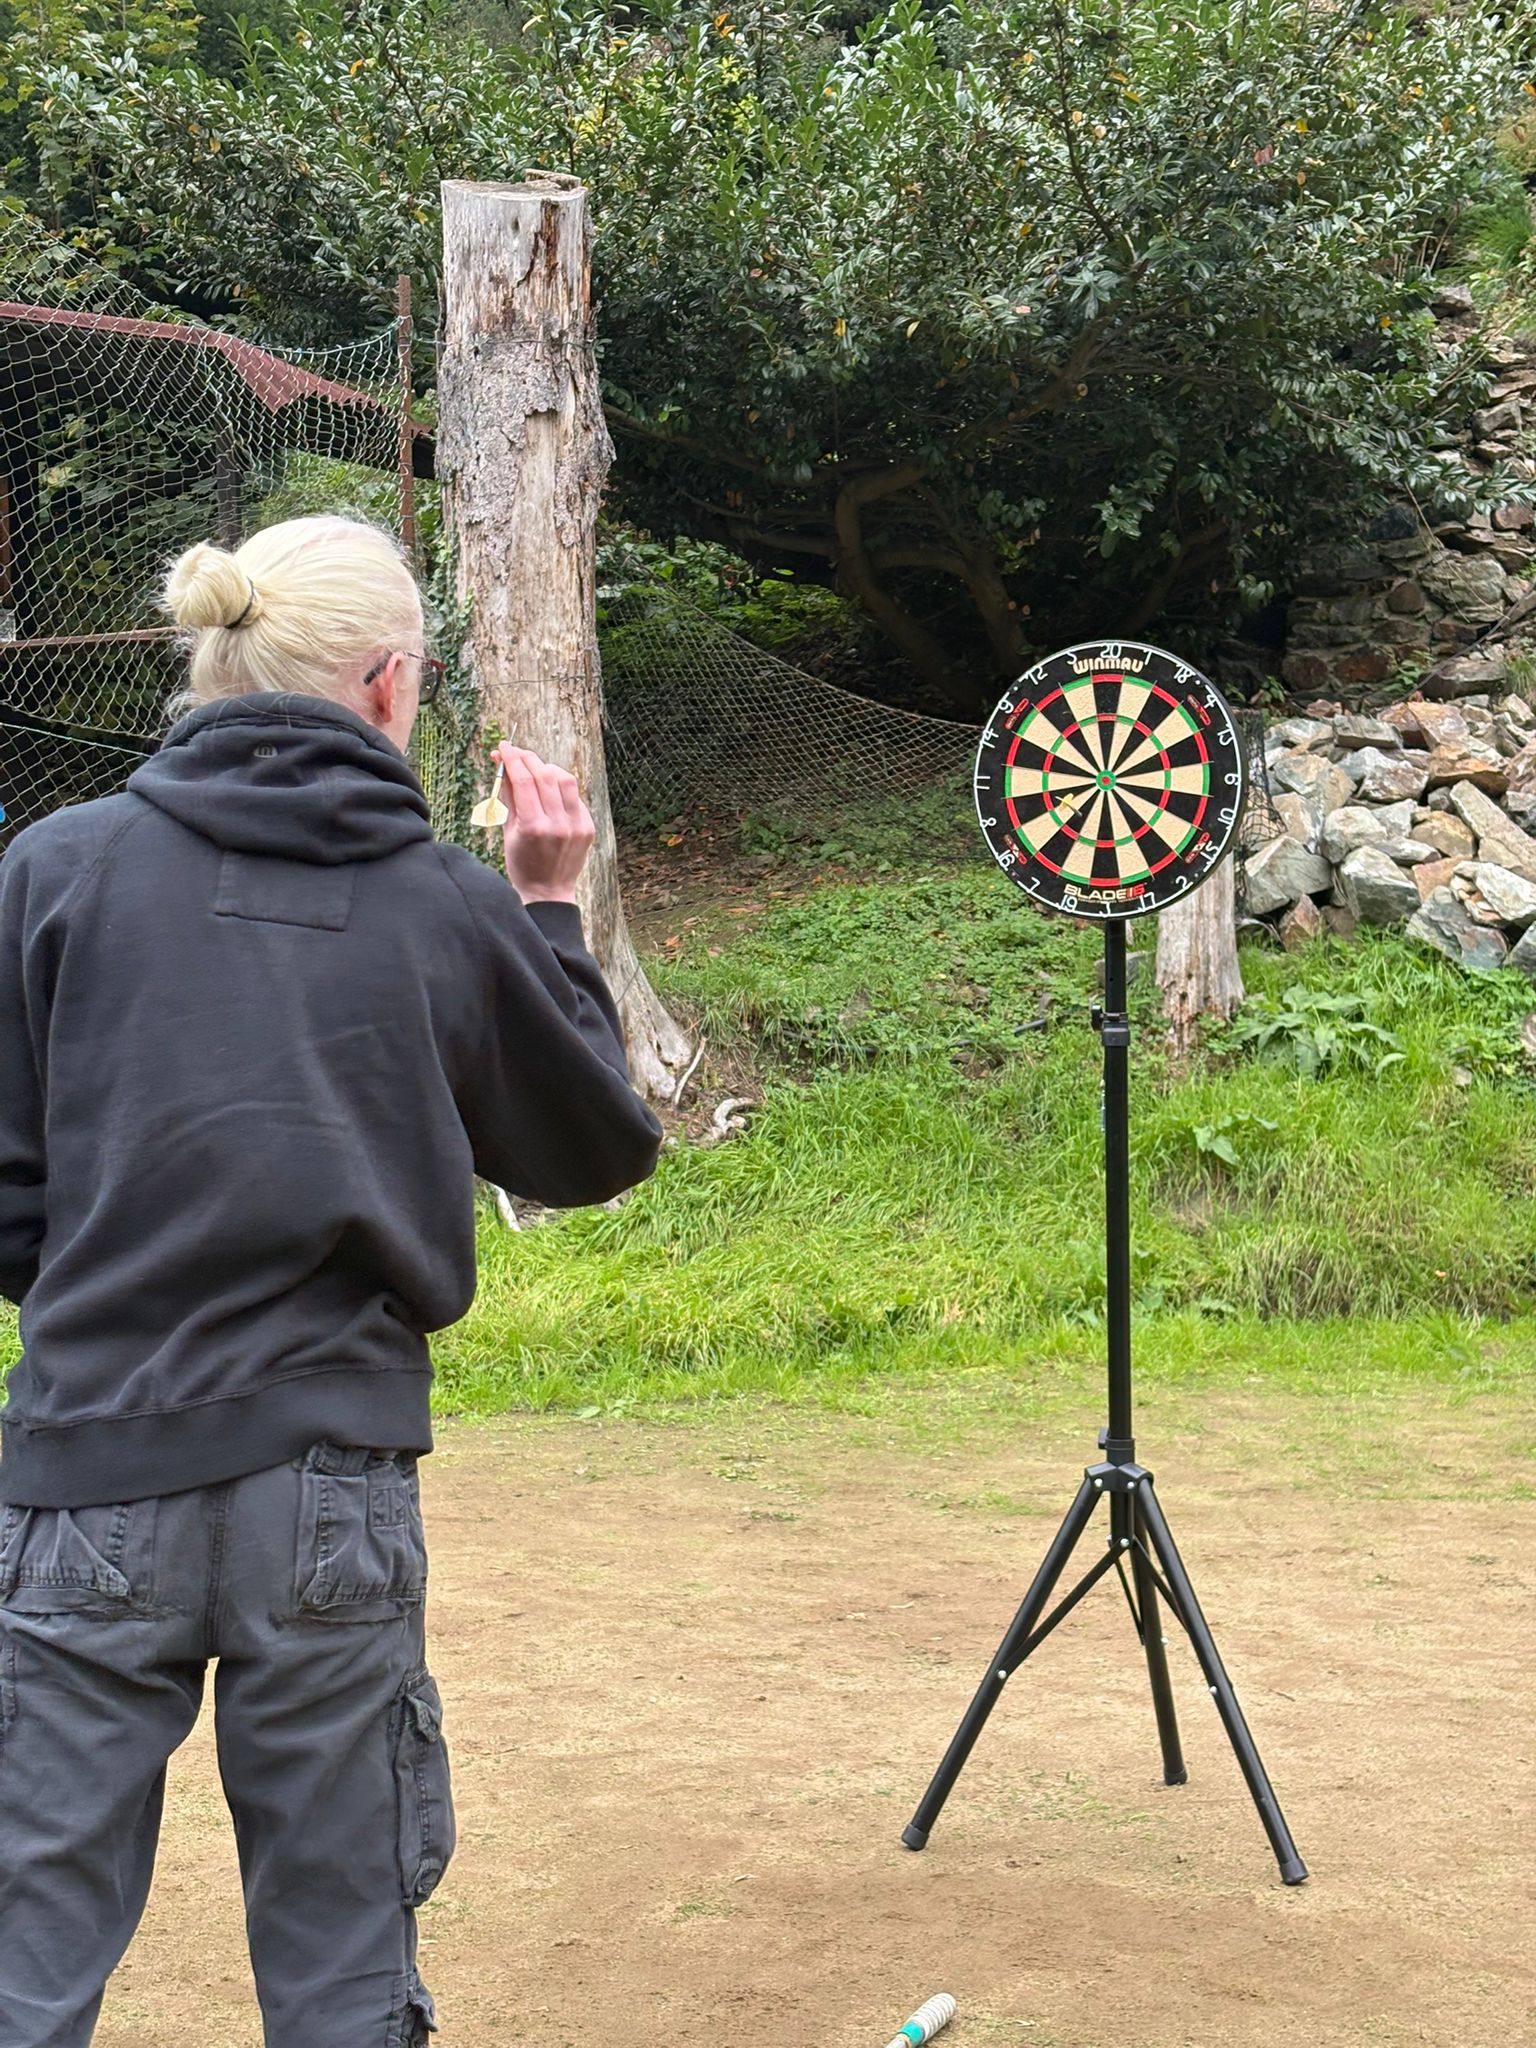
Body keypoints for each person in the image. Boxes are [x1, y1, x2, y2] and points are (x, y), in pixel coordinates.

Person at [0, 514, 663, 2047]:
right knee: (341, 1966)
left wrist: (109, 1288)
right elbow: (592, 1145)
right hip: (329, 1495)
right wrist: (547, 908)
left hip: (88, 1468)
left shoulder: (54, 871)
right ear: (385, 684)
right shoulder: (444, 900)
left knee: (22, 1955)